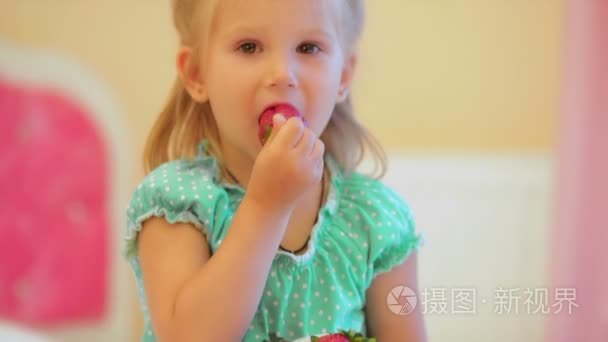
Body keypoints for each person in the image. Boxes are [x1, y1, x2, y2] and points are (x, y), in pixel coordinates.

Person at [124, 0, 426, 340]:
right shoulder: (178, 204)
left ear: (343, 76)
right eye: (249, 47)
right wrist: (267, 207)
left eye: (308, 47)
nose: (282, 74)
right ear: (196, 74)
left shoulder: (375, 220)